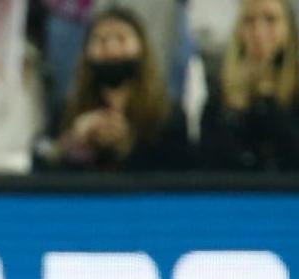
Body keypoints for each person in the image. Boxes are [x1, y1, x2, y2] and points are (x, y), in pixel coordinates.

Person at [45, 7, 191, 171]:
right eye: (101, 40)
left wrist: (127, 144)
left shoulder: (167, 114)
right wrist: (75, 140)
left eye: (121, 39)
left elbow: (180, 172)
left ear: (141, 48)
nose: (111, 48)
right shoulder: (66, 111)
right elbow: (42, 163)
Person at [199, 0, 299, 172]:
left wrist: (267, 103)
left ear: (288, 28)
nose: (258, 31)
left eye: (270, 19)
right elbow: (211, 161)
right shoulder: (220, 95)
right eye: (249, 21)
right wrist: (234, 112)